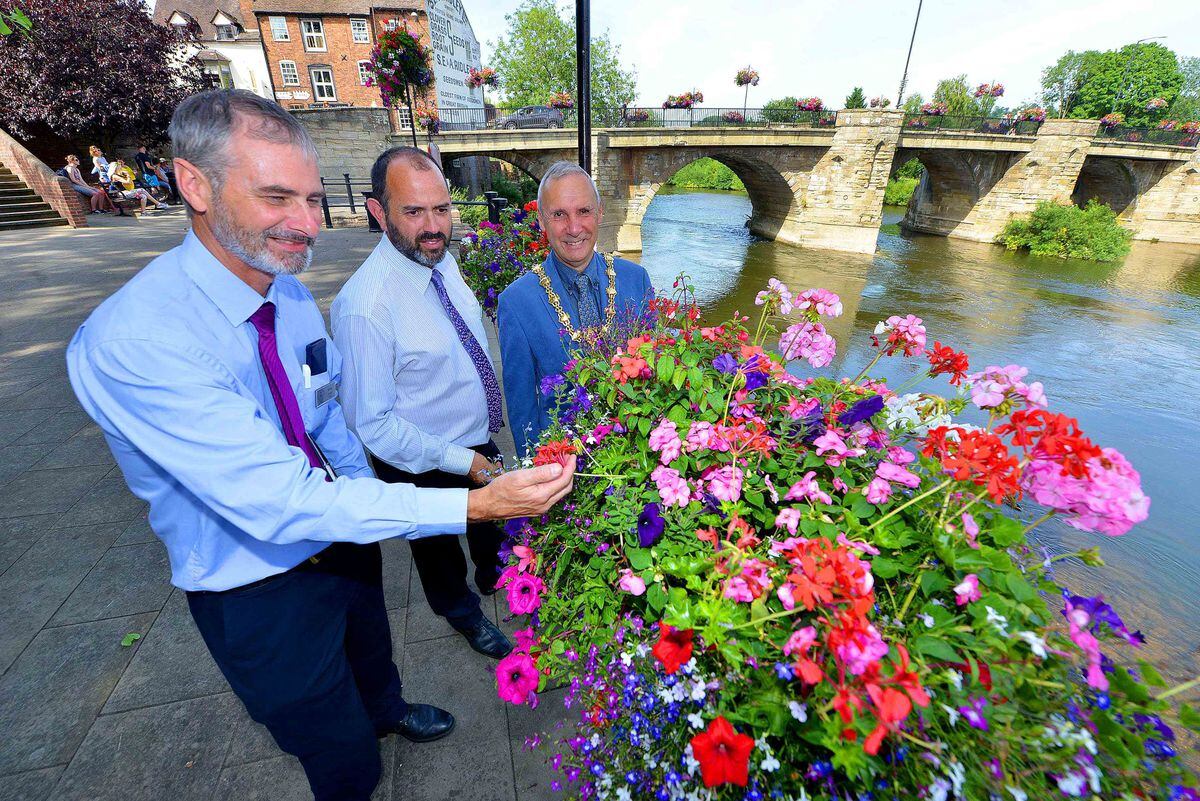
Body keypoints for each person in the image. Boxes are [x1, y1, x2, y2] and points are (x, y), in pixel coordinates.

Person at [66, 89, 575, 801]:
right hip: (257, 583)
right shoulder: (138, 340)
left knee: (372, 656)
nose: (307, 225)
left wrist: (362, 495)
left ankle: (389, 709)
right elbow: (279, 502)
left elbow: (329, 416)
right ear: (194, 185)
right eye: (278, 198)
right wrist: (476, 502)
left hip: (341, 541)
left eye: (311, 197)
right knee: (339, 757)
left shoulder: (292, 295)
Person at [332, 147, 512, 660]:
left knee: (487, 524)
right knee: (437, 553)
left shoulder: (439, 259)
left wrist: (480, 448)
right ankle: (462, 615)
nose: (434, 226)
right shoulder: (365, 306)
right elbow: (371, 423)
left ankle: (492, 574)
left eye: (441, 208)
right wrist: (465, 462)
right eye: (413, 212)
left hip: (475, 437)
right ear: (378, 212)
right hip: (419, 460)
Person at [497, 160, 654, 455]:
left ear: (599, 212)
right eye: (559, 214)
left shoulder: (636, 281)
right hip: (565, 470)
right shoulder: (516, 303)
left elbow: (655, 377)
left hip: (636, 459)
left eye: (584, 211)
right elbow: (522, 412)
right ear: (542, 221)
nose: (574, 228)